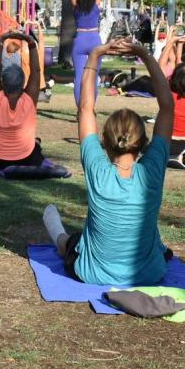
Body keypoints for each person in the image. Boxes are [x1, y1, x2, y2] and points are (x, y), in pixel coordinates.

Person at [43, 39, 175, 285]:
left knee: (71, 243)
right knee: (156, 244)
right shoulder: (153, 170)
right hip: (149, 274)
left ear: (104, 140)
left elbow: (85, 108)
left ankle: (58, 237)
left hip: (93, 274)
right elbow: (167, 106)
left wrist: (94, 57)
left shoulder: (98, 169)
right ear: (144, 142)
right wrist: (145, 55)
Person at [0, 30, 46, 169]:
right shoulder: (29, 99)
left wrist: (1, 39)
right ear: (23, 81)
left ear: (3, 83)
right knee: (37, 147)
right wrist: (30, 42)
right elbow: (36, 71)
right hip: (27, 158)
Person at [70, 0, 103, 105]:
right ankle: (91, 108)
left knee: (79, 76)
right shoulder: (96, 2)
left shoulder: (75, 2)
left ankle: (80, 109)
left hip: (80, 39)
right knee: (93, 75)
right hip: (95, 39)